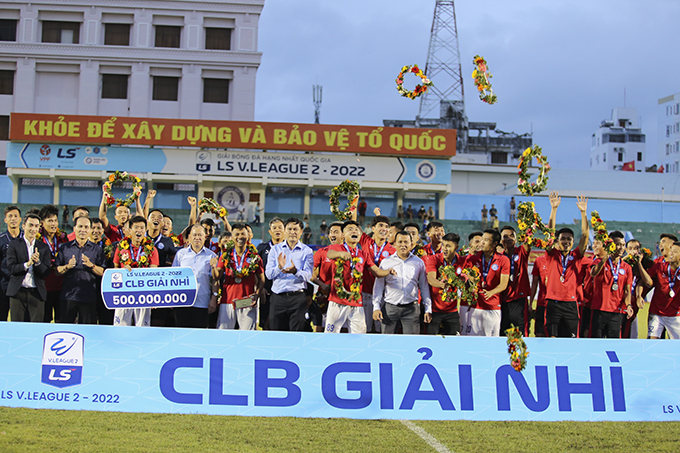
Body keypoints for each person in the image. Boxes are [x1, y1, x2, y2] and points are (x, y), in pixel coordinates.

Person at [324, 220, 395, 333]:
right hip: (337, 301)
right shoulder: (338, 248)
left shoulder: (363, 254)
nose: (354, 231)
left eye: (356, 230)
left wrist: (388, 271)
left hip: (356, 302)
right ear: (343, 235)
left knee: (359, 335)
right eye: (350, 229)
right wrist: (340, 254)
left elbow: (376, 271)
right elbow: (329, 254)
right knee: (331, 334)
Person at [543, 192, 589, 338]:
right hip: (553, 302)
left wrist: (583, 213)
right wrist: (554, 209)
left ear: (573, 242)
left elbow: (585, 235)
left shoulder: (576, 256)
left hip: (570, 303)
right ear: (557, 241)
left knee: (570, 341)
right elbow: (550, 233)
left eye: (569, 239)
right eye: (563, 239)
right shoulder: (552, 254)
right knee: (552, 339)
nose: (566, 241)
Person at [372, 230, 432, 334]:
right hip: (390, 308)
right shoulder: (386, 262)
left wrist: (428, 308)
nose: (403, 245)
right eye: (400, 242)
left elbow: (424, 287)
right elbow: (378, 286)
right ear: (394, 243)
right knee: (387, 341)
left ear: (411, 244)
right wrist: (376, 307)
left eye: (406, 242)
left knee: (411, 340)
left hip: (411, 309)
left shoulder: (418, 262)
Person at [265, 218, 313, 331]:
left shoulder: (307, 251)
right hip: (278, 297)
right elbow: (268, 274)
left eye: (295, 229)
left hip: (297, 298)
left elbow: (308, 276)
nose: (292, 232)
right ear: (285, 231)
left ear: (301, 232)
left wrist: (295, 271)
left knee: (296, 334)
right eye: (289, 229)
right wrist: (279, 267)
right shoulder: (275, 250)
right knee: (275, 332)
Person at [55, 217, 106, 324]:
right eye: (80, 226)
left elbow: (102, 272)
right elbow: (57, 270)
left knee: (88, 330)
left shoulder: (97, 249)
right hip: (68, 296)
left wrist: (91, 265)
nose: (83, 230)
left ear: (90, 229)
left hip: (89, 297)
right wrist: (67, 266)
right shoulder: (65, 248)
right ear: (74, 228)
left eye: (86, 227)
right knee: (66, 329)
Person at [112, 216, 159, 327]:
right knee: (121, 325)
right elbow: (115, 269)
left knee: (143, 326)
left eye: (142, 228)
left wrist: (153, 295)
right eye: (136, 227)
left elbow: (154, 273)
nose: (139, 230)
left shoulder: (152, 249)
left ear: (146, 230)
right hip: (124, 292)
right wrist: (123, 272)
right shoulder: (121, 247)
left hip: (144, 293)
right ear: (130, 230)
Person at [215, 223, 263, 330]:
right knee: (224, 335)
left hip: (247, 301)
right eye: (237, 234)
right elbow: (217, 276)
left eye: (243, 234)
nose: (240, 237)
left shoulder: (254, 256)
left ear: (248, 236)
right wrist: (214, 267)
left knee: (247, 335)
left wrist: (257, 294)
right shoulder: (226, 255)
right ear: (232, 237)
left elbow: (262, 279)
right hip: (228, 300)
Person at [6, 213, 52, 322]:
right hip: (18, 292)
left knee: (36, 326)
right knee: (17, 326)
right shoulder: (14, 244)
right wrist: (27, 264)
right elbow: (11, 268)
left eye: (36, 226)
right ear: (23, 226)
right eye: (30, 225)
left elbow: (46, 272)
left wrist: (37, 263)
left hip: (37, 293)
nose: (33, 229)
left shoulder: (43, 247)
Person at [589, 231, 633, 338]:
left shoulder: (627, 267)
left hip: (616, 311)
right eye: (618, 244)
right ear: (611, 245)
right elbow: (593, 273)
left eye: (623, 245)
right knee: (596, 342)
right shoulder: (599, 261)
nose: (621, 248)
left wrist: (628, 305)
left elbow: (627, 291)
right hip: (599, 309)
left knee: (614, 343)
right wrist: (605, 257)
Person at [172, 224, 217, 328]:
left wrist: (213, 299)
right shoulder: (181, 254)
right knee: (182, 332)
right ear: (189, 237)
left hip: (202, 303)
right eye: (194, 235)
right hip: (182, 302)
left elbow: (215, 280)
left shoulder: (211, 256)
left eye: (200, 235)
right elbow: (173, 277)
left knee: (199, 333)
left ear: (205, 237)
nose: (197, 238)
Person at [467, 229, 510, 336]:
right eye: (482, 239)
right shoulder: (473, 258)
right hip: (475, 306)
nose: (482, 242)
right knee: (473, 339)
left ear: (495, 244)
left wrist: (491, 292)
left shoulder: (503, 260)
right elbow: (466, 275)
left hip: (493, 306)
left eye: (486, 240)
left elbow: (503, 284)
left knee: (492, 341)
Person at [639, 241, 680, 339]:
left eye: (675, 251)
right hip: (656, 313)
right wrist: (639, 296)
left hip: (675, 315)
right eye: (671, 250)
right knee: (653, 342)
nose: (671, 253)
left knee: (677, 345)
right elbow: (643, 281)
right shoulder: (659, 267)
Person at [425, 233, 463, 335]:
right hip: (435, 309)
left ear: (456, 247)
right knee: (431, 340)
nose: (444, 249)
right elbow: (431, 279)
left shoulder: (462, 261)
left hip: (452, 310)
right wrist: (441, 284)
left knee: (454, 340)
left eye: (448, 246)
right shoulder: (434, 259)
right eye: (443, 245)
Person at [310, 221, 344, 332]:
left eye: (336, 232)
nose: (332, 235)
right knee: (323, 328)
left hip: (344, 297)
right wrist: (322, 285)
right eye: (331, 232)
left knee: (344, 329)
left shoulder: (351, 253)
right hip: (325, 296)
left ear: (343, 235)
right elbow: (308, 272)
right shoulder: (321, 252)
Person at [39, 205, 68, 323]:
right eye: (50, 221)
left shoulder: (63, 238)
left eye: (55, 220)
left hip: (61, 287)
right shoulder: (37, 239)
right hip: (43, 287)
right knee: (44, 321)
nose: (54, 224)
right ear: (42, 223)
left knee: (61, 321)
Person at [500, 225, 531, 335]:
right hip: (502, 299)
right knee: (502, 333)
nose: (509, 238)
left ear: (516, 239)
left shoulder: (521, 251)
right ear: (501, 240)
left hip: (519, 299)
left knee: (521, 333)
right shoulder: (498, 257)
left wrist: (527, 223)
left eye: (512, 236)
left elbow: (528, 240)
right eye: (505, 236)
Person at [256, 217, 285, 330]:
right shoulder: (262, 248)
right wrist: (260, 287)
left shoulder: (289, 248)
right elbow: (255, 270)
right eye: (274, 228)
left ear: (284, 230)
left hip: (283, 292)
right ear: (270, 231)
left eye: (280, 227)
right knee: (266, 324)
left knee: (281, 324)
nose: (277, 230)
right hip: (266, 291)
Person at [0, 206, 22, 321]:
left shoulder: (26, 238)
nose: (13, 219)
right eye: (10, 216)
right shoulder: (1, 239)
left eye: (15, 216)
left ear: (20, 219)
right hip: (4, 286)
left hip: (22, 286)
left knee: (19, 319)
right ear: (5, 220)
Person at [460, 231, 484, 335]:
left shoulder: (485, 258)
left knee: (477, 332)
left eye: (482, 242)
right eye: (477, 242)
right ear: (470, 244)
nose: (480, 244)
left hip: (481, 301)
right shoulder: (462, 257)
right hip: (465, 300)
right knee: (464, 331)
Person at [530, 252, 548, 337]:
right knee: (539, 334)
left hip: (556, 304)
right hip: (542, 303)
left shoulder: (561, 261)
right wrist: (531, 303)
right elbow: (534, 283)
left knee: (553, 334)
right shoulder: (539, 261)